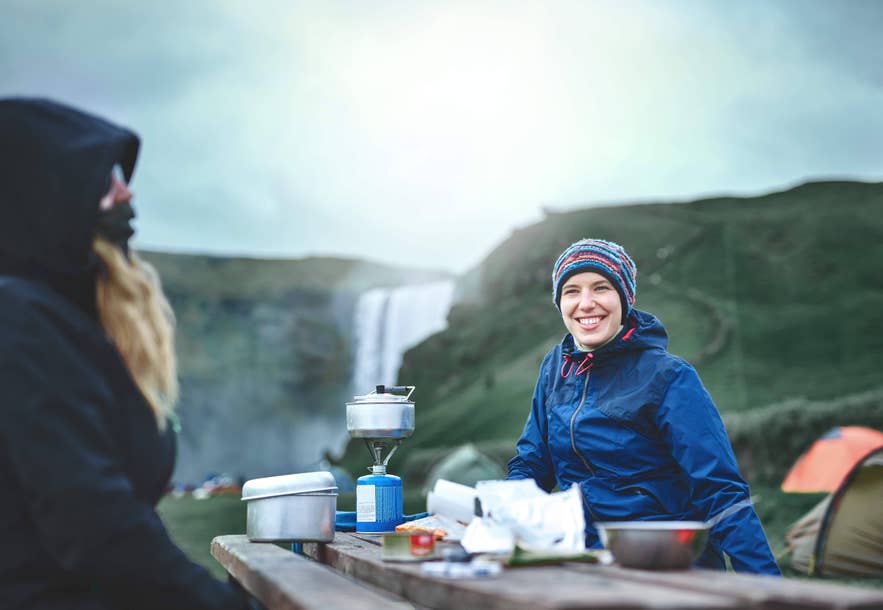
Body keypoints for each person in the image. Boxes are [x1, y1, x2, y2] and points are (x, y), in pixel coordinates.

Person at [0, 98, 255, 609]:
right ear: (43, 189)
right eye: (103, 176)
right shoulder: (18, 320)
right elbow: (95, 525)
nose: (125, 191)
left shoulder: (66, 321)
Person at [506, 238, 780, 574]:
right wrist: (496, 513)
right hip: (584, 558)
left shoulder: (669, 376)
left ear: (624, 298)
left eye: (601, 288)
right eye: (572, 291)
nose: (586, 303)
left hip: (663, 563)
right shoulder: (554, 369)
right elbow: (532, 464)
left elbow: (720, 491)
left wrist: (768, 588)